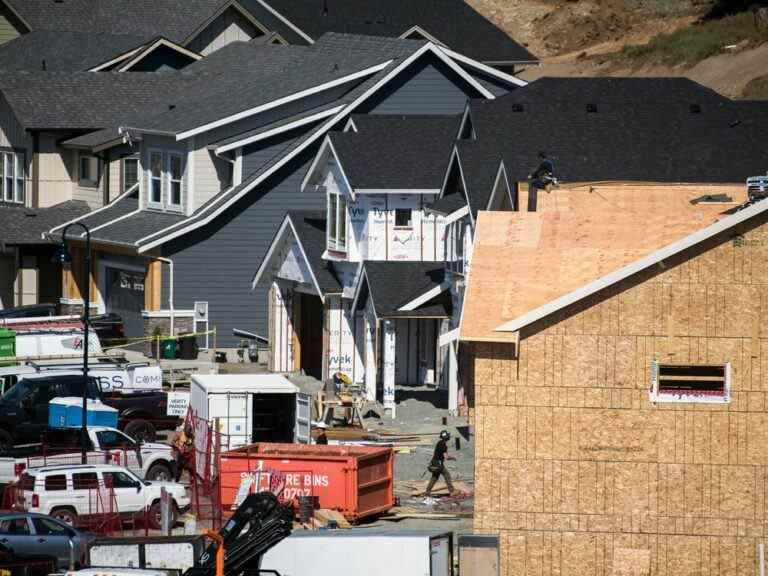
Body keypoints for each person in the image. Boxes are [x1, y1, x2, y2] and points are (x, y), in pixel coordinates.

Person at [425, 430, 455, 497]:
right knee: (447, 475)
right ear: (446, 437)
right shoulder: (443, 445)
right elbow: (446, 457)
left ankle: (427, 492)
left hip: (433, 463)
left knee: (434, 478)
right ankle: (452, 491)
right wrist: (452, 458)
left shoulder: (439, 443)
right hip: (438, 464)